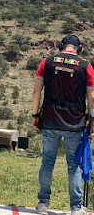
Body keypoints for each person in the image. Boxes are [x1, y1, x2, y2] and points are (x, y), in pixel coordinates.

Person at [32, 34, 94, 215]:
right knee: (73, 165)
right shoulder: (86, 67)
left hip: (50, 119)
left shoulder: (47, 62)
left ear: (61, 47)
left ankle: (43, 203)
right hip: (74, 123)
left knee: (47, 161)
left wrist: (35, 115)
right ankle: (76, 207)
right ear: (78, 49)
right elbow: (91, 97)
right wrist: (92, 122)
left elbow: (37, 90)